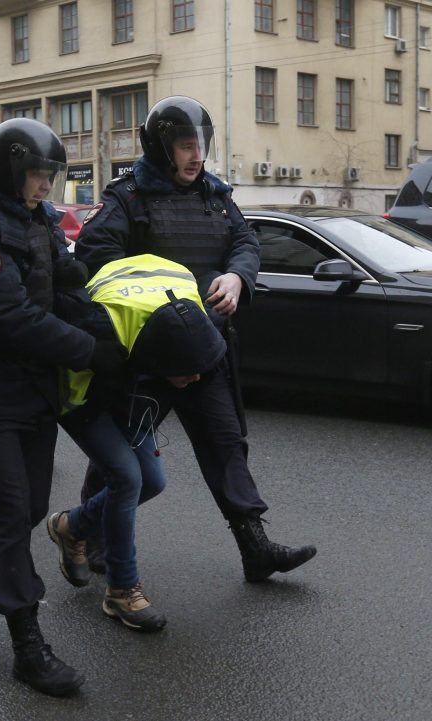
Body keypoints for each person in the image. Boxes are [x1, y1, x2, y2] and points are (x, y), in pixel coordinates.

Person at [0, 118, 131, 697]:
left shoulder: (29, 215)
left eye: (49, 177)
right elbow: (8, 315)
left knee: (30, 505)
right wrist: (93, 352)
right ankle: (27, 645)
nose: (45, 186)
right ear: (13, 168)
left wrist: (110, 312)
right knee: (11, 513)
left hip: (33, 386)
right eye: (38, 174)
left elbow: (63, 283)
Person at [75, 95, 316, 583]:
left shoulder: (214, 194)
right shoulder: (129, 198)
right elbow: (94, 257)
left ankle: (256, 549)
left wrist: (237, 277)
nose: (196, 156)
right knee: (125, 447)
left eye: (201, 145)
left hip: (206, 346)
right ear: (162, 148)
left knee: (227, 444)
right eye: (186, 146)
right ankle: (92, 534)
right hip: (150, 357)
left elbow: (246, 241)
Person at [46, 254, 227, 632]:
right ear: (158, 360)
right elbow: (74, 391)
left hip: (132, 382)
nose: (194, 377)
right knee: (127, 479)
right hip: (85, 396)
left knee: (153, 481)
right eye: (185, 370)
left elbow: (192, 364)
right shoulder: (103, 332)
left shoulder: (192, 320)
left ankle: (71, 526)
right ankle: (122, 590)